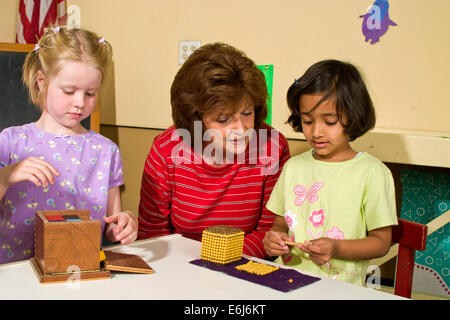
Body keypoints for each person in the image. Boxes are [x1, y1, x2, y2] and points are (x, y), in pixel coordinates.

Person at [138, 42, 290, 258]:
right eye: (223, 119)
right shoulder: (167, 149)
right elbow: (152, 233)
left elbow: (268, 231)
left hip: (243, 265)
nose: (240, 129)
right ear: (196, 117)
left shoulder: (273, 146)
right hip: (180, 266)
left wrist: (217, 260)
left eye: (247, 113)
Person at [0, 26, 137, 264]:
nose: (79, 103)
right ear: (42, 82)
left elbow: (110, 224)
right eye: (69, 91)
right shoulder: (11, 141)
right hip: (15, 271)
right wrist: (5, 177)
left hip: (79, 268)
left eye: (90, 93)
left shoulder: (106, 151)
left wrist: (121, 227)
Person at [263, 59, 398, 286]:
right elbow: (279, 224)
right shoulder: (293, 167)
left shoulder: (373, 173)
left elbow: (381, 243)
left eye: (330, 121)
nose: (316, 131)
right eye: (307, 121)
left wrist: (336, 248)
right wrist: (274, 238)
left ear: (354, 116)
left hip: (342, 290)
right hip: (287, 284)